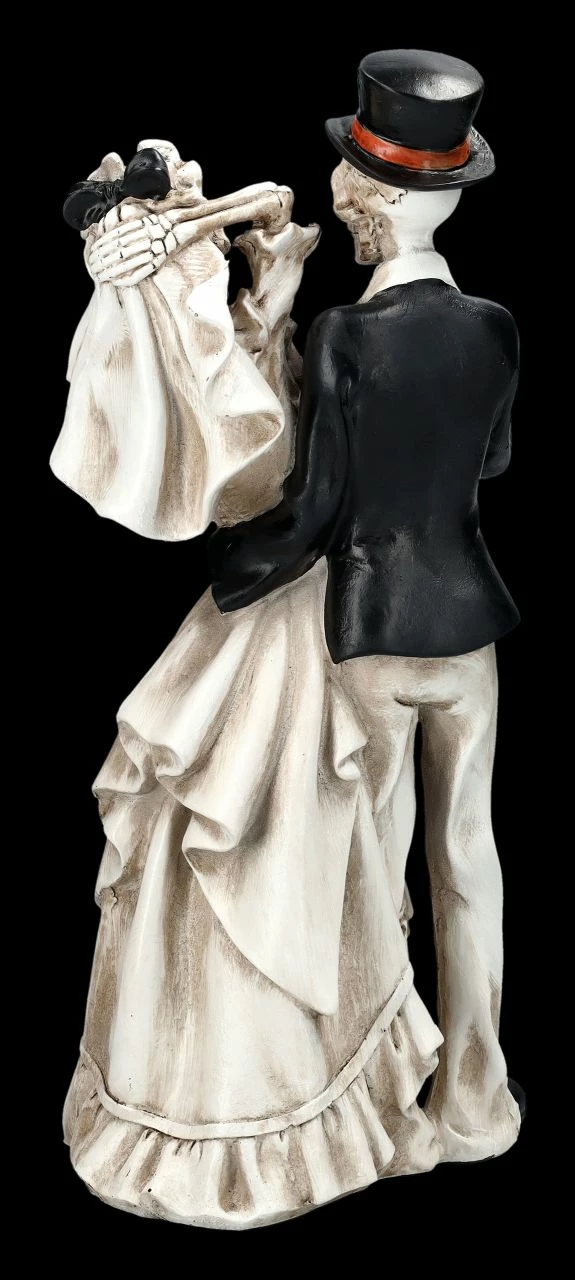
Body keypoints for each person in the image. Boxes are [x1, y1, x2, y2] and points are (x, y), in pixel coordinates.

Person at [64, 51, 522, 1232]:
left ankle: (391, 1096)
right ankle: (476, 1095)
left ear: (377, 199)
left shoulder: (343, 337)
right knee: (468, 858)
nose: (343, 200)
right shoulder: (493, 329)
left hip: (370, 634)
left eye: (353, 186)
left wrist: (239, 574)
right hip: (468, 628)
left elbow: (316, 506)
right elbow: (487, 463)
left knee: (377, 872)